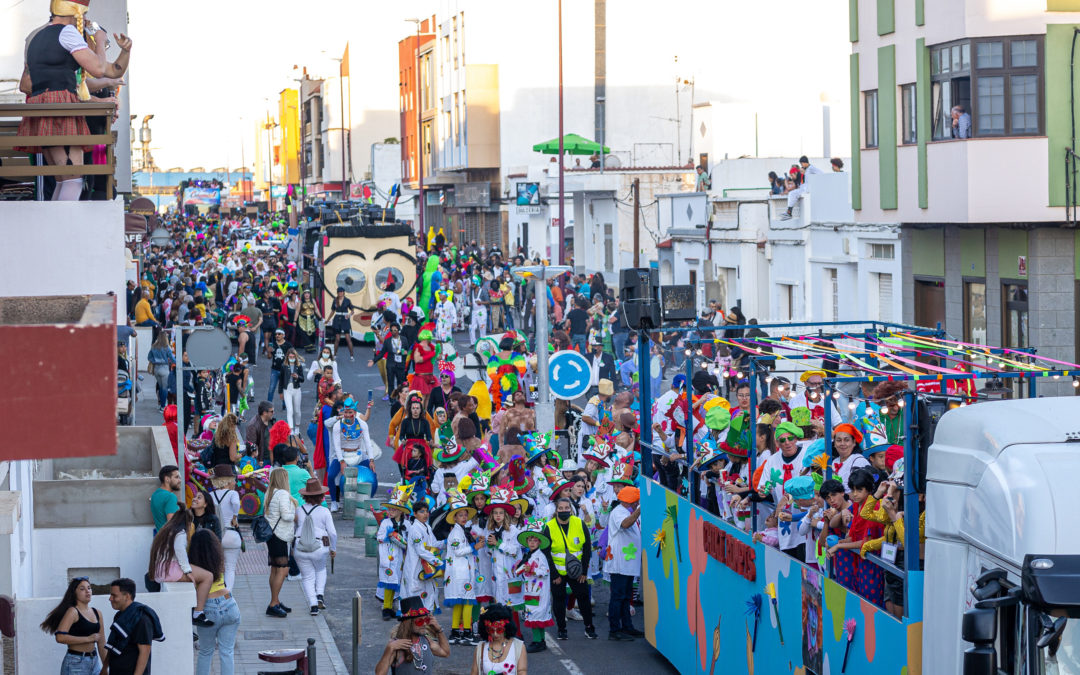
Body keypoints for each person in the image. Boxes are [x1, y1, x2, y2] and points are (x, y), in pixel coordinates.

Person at [147, 506, 215, 626]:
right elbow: (180, 551)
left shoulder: (166, 530)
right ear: (187, 522)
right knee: (208, 576)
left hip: (161, 569)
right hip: (170, 570)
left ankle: (194, 611)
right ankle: (198, 613)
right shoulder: (180, 533)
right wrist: (188, 571)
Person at [189, 529, 241, 675]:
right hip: (228, 602)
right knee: (227, 652)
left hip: (207, 608)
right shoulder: (218, 558)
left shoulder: (192, 565)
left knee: (206, 652)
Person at [545, 497, 597, 640]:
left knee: (583, 598)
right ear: (556, 511)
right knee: (559, 599)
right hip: (558, 572)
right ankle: (562, 629)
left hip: (577, 571)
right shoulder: (549, 526)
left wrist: (584, 572)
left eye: (566, 508)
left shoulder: (579, 523)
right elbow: (546, 552)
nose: (563, 511)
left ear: (571, 510)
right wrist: (554, 574)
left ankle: (589, 627)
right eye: (560, 509)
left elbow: (587, 548)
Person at [40, 576, 105, 675]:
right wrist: (87, 639)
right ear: (74, 593)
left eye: (89, 588)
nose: (87, 591)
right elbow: (60, 637)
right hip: (76, 662)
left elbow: (101, 643)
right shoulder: (73, 612)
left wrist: (105, 666)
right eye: (82, 589)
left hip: (94, 661)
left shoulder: (97, 613)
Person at [373, 596, 450, 675]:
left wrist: (439, 630)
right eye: (419, 621)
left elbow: (445, 652)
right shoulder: (397, 646)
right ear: (408, 623)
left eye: (426, 620)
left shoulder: (427, 641)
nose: (424, 624)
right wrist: (389, 649)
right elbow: (379, 673)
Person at [294, 478, 337, 616]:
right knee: (320, 569)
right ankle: (320, 595)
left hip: (300, 547)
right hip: (319, 547)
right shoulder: (324, 511)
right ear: (321, 496)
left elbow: (294, 528)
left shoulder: (298, 510)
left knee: (307, 577)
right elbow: (332, 533)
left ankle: (313, 605)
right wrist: (333, 549)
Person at [605, 486, 643, 641]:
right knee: (618, 596)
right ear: (631, 502)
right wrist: (638, 511)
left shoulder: (627, 511)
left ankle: (627, 626)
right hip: (619, 562)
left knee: (626, 596)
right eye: (636, 502)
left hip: (628, 562)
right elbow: (625, 524)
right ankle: (614, 630)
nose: (637, 503)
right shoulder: (619, 512)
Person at [443, 489, 481, 645]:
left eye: (466, 515)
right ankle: (466, 632)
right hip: (460, 573)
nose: (464, 517)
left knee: (460, 602)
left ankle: (456, 632)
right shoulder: (456, 533)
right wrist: (474, 547)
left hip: (463, 572)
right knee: (466, 601)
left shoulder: (463, 532)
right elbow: (458, 551)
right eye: (461, 515)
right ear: (455, 517)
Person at [102, 578, 162, 675]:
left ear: (127, 596)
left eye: (114, 595)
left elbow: (144, 652)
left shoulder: (142, 619)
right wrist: (105, 668)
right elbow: (113, 645)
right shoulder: (119, 616)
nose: (110, 598)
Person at [516, 517, 553, 653]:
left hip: (539, 591)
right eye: (530, 540)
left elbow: (545, 571)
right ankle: (540, 640)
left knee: (536, 614)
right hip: (531, 590)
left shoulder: (540, 556)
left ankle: (538, 641)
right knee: (534, 614)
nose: (532, 543)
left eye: (535, 540)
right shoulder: (530, 555)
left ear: (539, 542)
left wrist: (531, 570)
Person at [264, 467, 297, 618]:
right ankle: (273, 603)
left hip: (272, 535)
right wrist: (294, 511)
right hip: (281, 536)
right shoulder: (283, 493)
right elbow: (286, 516)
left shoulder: (270, 493)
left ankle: (275, 601)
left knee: (275, 570)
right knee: (283, 570)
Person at [377, 484, 413, 620]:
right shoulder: (385, 523)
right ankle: (386, 607)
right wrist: (387, 536)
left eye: (394, 509)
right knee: (388, 580)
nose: (390, 511)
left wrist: (403, 541)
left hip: (402, 558)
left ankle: (397, 607)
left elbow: (409, 540)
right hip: (388, 556)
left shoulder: (407, 524)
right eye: (390, 508)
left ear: (401, 511)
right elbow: (379, 537)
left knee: (399, 581)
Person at [402, 500, 443, 615]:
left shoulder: (427, 527)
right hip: (416, 568)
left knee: (429, 594)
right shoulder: (415, 529)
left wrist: (446, 542)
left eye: (426, 511)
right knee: (416, 598)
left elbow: (433, 544)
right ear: (414, 514)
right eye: (421, 512)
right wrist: (438, 562)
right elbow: (421, 550)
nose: (425, 514)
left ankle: (427, 623)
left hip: (426, 568)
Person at [470, 603, 529, 675]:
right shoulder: (481, 648)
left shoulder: (519, 647)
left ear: (506, 628)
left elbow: (522, 671)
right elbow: (474, 672)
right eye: (491, 630)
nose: (495, 634)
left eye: (499, 630)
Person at [210, 464, 242, 591]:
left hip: (216, 536)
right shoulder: (232, 494)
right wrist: (235, 517)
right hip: (231, 534)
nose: (234, 482)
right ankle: (228, 594)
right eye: (233, 479)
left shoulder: (211, 495)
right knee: (230, 568)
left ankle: (217, 591)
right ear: (228, 480)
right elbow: (235, 504)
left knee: (217, 567)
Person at [369, 323, 409, 398]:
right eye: (392, 330)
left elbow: (407, 349)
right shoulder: (387, 341)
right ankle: (392, 399)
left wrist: (405, 352)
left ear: (398, 330)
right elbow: (382, 353)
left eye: (395, 330)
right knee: (390, 384)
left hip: (400, 364)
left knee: (400, 383)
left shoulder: (404, 339)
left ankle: (400, 398)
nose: (393, 332)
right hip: (391, 364)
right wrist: (373, 361)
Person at [280, 349, 306, 433]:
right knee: (290, 410)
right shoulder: (284, 366)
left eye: (293, 357)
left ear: (295, 357)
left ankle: (297, 426)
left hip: (296, 389)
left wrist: (297, 377)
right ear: (287, 357)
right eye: (290, 357)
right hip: (287, 389)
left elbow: (302, 379)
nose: (291, 358)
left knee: (297, 410)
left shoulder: (298, 366)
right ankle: (291, 429)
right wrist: (280, 392)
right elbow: (280, 379)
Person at [150, 464, 180, 532]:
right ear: (167, 479)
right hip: (169, 539)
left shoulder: (155, 495)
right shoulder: (170, 497)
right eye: (176, 477)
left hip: (159, 538)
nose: (179, 480)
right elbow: (173, 524)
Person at [329, 287, 356, 361]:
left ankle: (351, 356)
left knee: (348, 338)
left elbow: (352, 310)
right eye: (339, 292)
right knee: (337, 338)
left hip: (345, 319)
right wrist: (328, 319)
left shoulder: (347, 300)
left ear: (344, 292)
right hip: (337, 319)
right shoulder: (335, 300)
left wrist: (349, 315)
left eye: (341, 292)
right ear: (337, 293)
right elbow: (332, 311)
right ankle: (334, 355)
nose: (340, 293)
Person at [267, 329, 294, 402]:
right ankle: (268, 404)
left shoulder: (288, 345)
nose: (277, 335)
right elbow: (269, 357)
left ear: (283, 335)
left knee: (285, 388)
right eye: (276, 334)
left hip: (285, 370)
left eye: (279, 334)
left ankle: (285, 405)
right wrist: (269, 352)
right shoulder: (273, 344)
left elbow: (293, 357)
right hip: (274, 370)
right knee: (271, 388)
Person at [245, 401, 274, 466]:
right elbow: (251, 446)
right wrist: (258, 461)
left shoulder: (271, 421)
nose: (273, 413)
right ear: (264, 413)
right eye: (271, 411)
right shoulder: (253, 426)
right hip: (262, 460)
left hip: (272, 457)